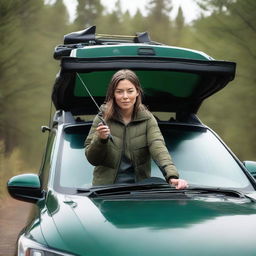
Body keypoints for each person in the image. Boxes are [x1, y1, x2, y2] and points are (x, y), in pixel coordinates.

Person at [85, 69, 188, 189]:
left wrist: (172, 176)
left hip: (139, 193)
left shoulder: (148, 119)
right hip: (104, 192)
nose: (125, 97)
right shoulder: (102, 118)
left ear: (137, 92)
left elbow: (158, 147)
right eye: (119, 92)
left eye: (130, 91)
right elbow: (92, 159)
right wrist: (100, 139)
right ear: (113, 93)